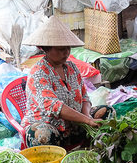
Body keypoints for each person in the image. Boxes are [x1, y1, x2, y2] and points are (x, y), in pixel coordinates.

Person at [22, 16, 100, 148]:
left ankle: (91, 151)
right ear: (46, 49)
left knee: (106, 112)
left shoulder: (72, 68)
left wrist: (87, 117)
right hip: (50, 126)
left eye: (68, 48)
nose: (66, 52)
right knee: (44, 134)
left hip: (74, 125)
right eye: (60, 49)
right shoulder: (38, 73)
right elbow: (55, 107)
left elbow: (85, 97)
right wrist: (86, 120)